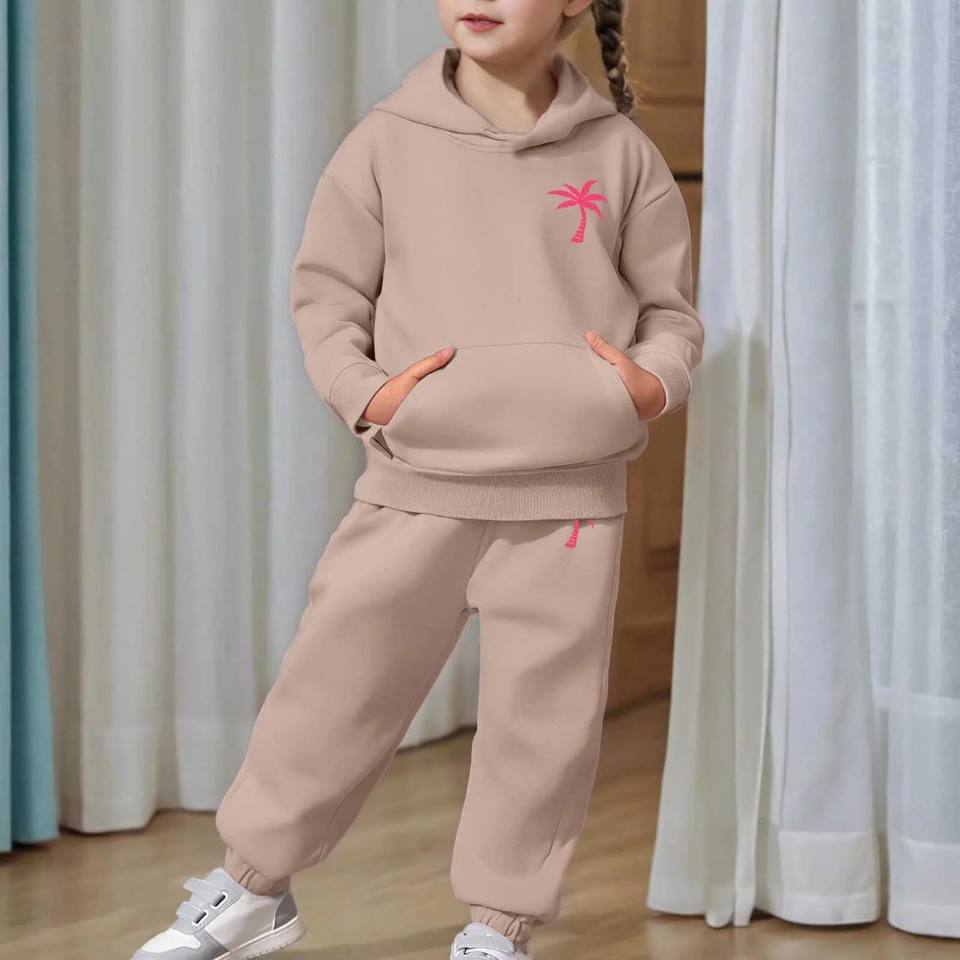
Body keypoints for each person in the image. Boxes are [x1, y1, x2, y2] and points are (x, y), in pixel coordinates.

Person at [131, 1, 704, 958]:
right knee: (332, 690)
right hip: (415, 484)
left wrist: (648, 384)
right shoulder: (384, 142)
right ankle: (253, 887)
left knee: (542, 727)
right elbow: (326, 297)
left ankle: (499, 925)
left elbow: (670, 315)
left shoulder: (622, 155)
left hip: (569, 499)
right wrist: (370, 395)